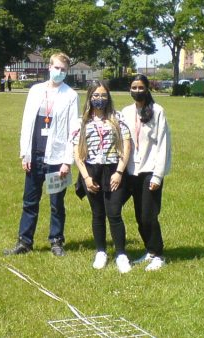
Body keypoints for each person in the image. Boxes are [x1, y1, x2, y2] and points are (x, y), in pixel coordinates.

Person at [4, 52, 80, 257]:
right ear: (49, 67)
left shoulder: (71, 96)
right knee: (30, 201)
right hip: (35, 155)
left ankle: (56, 241)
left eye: (64, 70)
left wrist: (67, 161)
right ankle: (24, 241)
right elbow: (26, 123)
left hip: (56, 158)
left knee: (57, 203)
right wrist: (24, 154)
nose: (59, 72)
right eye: (57, 68)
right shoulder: (35, 91)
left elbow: (74, 129)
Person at [72, 81, 132, 273]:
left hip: (113, 170)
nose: (100, 99)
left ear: (109, 97)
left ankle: (121, 254)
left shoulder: (117, 118)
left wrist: (119, 171)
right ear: (90, 98)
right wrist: (86, 178)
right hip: (91, 171)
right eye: (96, 96)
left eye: (103, 95)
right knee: (97, 214)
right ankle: (101, 251)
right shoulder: (82, 121)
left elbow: (126, 145)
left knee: (114, 213)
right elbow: (77, 152)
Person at [120, 74, 172, 271]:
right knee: (139, 216)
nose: (137, 91)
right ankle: (149, 250)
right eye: (134, 87)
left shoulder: (157, 111)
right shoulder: (125, 112)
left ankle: (158, 254)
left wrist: (158, 175)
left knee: (149, 215)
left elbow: (163, 144)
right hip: (131, 171)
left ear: (148, 89)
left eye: (141, 88)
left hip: (150, 170)